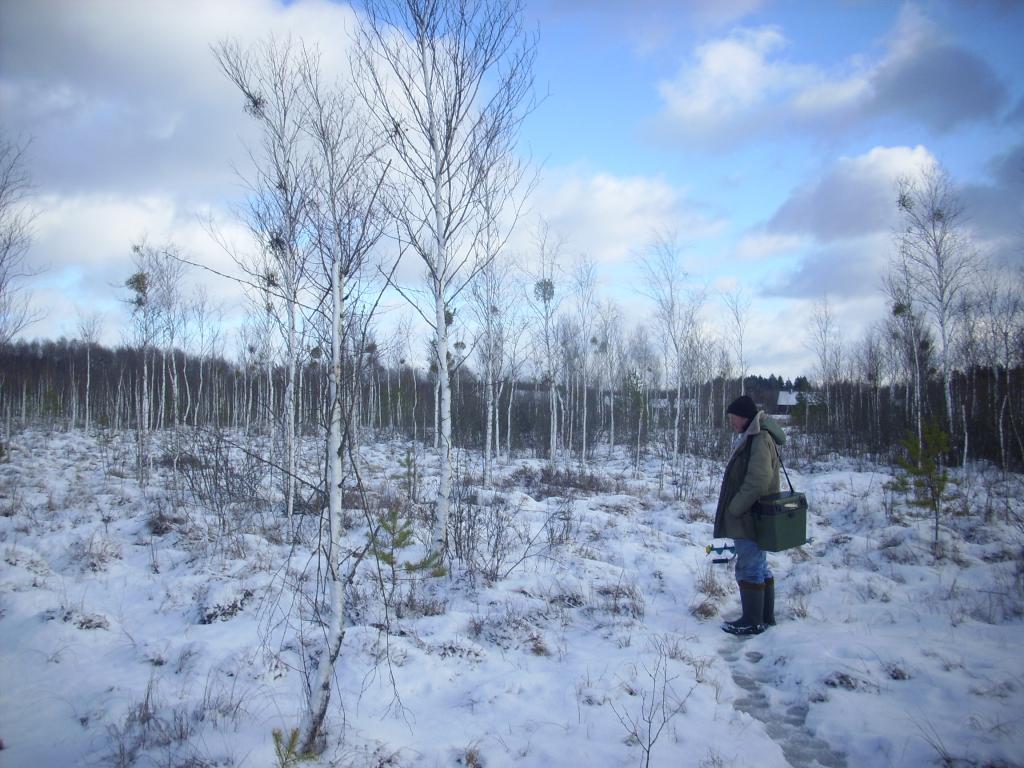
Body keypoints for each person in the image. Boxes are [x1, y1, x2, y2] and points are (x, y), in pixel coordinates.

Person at [713, 395, 786, 636]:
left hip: (749, 514)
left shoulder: (759, 438)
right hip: (755, 513)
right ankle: (764, 618)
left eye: (733, 418)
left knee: (750, 566)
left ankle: (752, 621)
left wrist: (735, 508)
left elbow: (758, 481)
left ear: (744, 417)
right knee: (759, 565)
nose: (731, 422)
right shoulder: (755, 435)